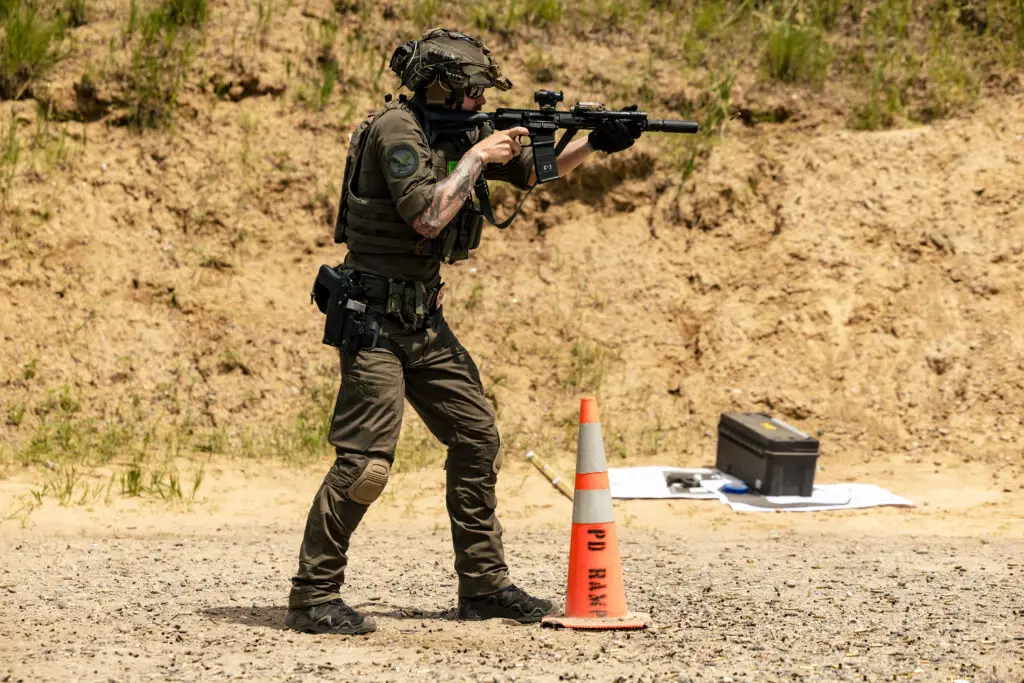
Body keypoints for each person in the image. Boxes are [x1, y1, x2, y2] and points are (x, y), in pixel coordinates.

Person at [285, 27, 643, 635]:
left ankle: (483, 584)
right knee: (366, 466)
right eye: (472, 94)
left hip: (422, 318)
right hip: (373, 319)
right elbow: (426, 216)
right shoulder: (396, 131)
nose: (479, 105)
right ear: (442, 89)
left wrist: (592, 143)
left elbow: (531, 175)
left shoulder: (458, 128)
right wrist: (480, 157)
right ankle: (313, 593)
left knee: (476, 436)